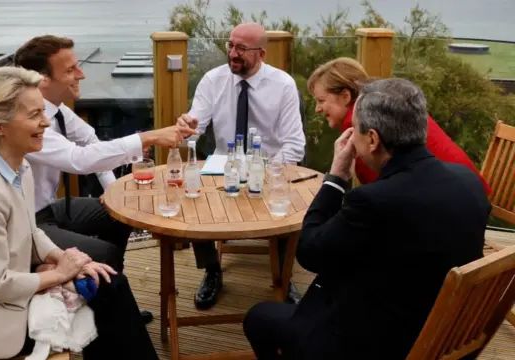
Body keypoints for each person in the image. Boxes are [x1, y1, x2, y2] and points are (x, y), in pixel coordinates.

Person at [0, 66, 159, 360]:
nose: (46, 122)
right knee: (106, 297)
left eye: (43, 112)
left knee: (107, 282)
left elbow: (30, 231)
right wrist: (60, 274)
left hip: (1, 295)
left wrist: (61, 258)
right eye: (34, 115)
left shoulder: (17, 166)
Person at [243, 78, 491, 359]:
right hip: (446, 333)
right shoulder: (468, 181)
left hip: (380, 344)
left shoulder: (375, 201)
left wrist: (336, 177)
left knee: (259, 317)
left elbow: (310, 253)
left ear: (372, 139)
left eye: (355, 131)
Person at [14, 35, 195, 323]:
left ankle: (109, 299)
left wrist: (112, 192)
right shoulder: (28, 123)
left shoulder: (58, 111)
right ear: (41, 79)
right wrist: (147, 137)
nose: (81, 74)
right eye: (71, 69)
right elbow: (79, 160)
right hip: (28, 224)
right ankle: (113, 314)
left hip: (50, 209)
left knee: (120, 214)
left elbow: (90, 140)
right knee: (105, 251)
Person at [176, 22, 307, 310]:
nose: (233, 54)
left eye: (241, 49)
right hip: (227, 165)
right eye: (230, 46)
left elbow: (295, 145)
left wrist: (268, 173)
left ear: (261, 53)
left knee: (288, 202)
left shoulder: (283, 84)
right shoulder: (212, 80)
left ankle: (284, 278)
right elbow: (194, 131)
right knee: (194, 195)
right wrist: (187, 128)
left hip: (271, 166)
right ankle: (212, 270)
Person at [307, 56, 491, 193]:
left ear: (345, 96)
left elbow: (381, 197)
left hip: (447, 207)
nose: (317, 109)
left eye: (321, 100)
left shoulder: (364, 133)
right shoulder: (393, 104)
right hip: (469, 191)